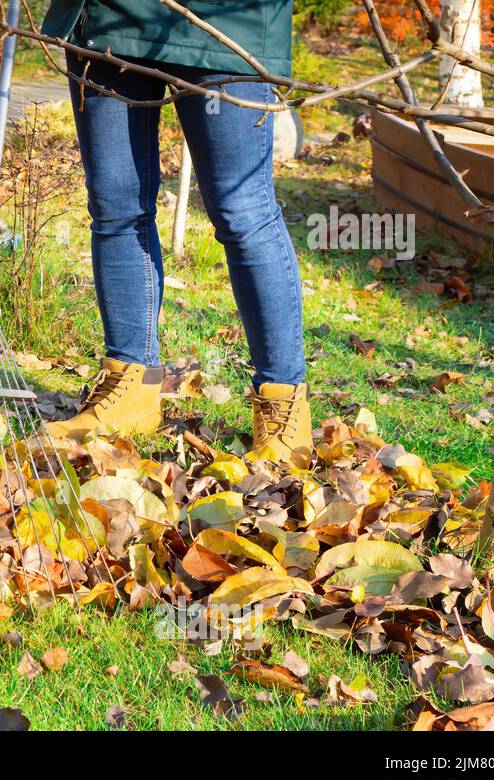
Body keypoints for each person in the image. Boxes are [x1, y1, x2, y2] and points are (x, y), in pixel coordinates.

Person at [40, 0, 311, 462]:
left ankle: (283, 403)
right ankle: (132, 386)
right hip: (110, 17)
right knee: (116, 205)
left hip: (229, 21)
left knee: (242, 211)